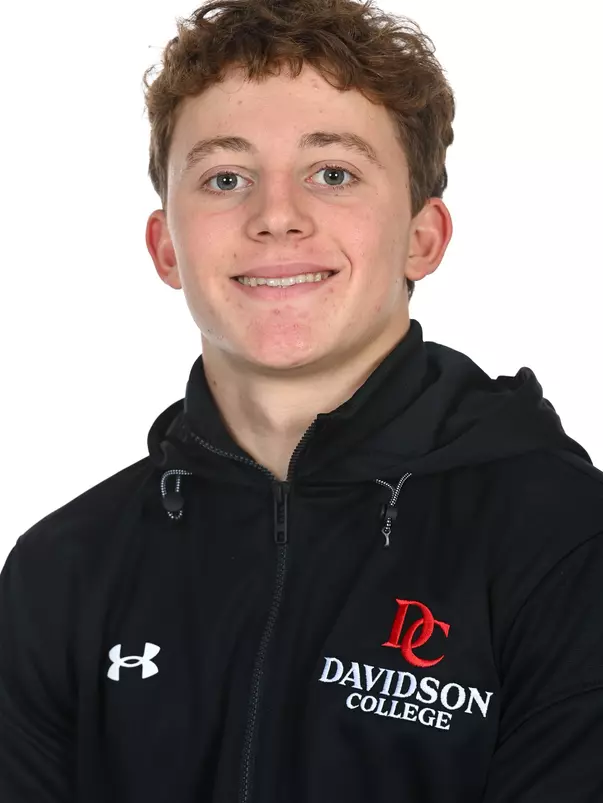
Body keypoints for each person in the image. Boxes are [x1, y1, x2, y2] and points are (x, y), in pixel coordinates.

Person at [1, 0, 602, 800]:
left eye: (333, 173)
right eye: (225, 178)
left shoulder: (565, 545)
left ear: (423, 237)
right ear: (166, 246)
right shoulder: (61, 570)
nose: (275, 216)